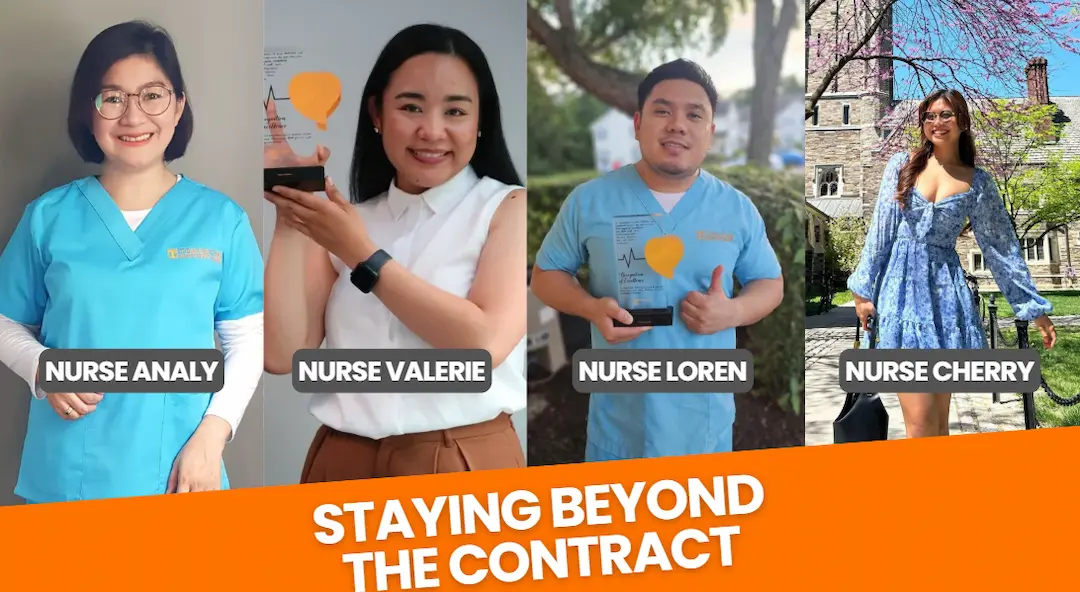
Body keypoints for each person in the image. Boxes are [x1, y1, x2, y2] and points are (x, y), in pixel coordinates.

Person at [0, 21, 264, 503]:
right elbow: (5, 320)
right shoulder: (48, 217)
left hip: (183, 472)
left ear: (179, 105)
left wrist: (213, 435)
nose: (133, 116)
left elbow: (247, 340)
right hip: (67, 476)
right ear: (89, 112)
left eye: (152, 95)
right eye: (113, 98)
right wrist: (41, 366)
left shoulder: (220, 220)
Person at [263, 23, 527, 481]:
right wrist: (291, 215)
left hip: (462, 460)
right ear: (377, 113)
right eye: (410, 107)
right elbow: (282, 354)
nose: (432, 131)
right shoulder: (349, 221)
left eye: (455, 111)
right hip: (340, 461)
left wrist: (363, 255)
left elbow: (484, 345)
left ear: (480, 120)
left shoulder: (507, 208)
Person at [530, 59, 784, 461]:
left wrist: (733, 312)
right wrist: (590, 307)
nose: (677, 125)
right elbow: (546, 275)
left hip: (704, 427)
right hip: (618, 427)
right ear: (637, 124)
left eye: (694, 115)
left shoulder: (736, 210)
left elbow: (769, 283)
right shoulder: (589, 201)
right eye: (662, 111)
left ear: (710, 133)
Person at [848, 88, 1057, 438]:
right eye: (929, 116)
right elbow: (880, 233)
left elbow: (1001, 248)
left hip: (945, 300)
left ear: (962, 121)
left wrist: (1033, 308)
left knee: (938, 426)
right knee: (919, 425)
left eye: (945, 114)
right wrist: (862, 291)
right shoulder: (901, 165)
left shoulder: (978, 182)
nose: (937, 122)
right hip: (901, 296)